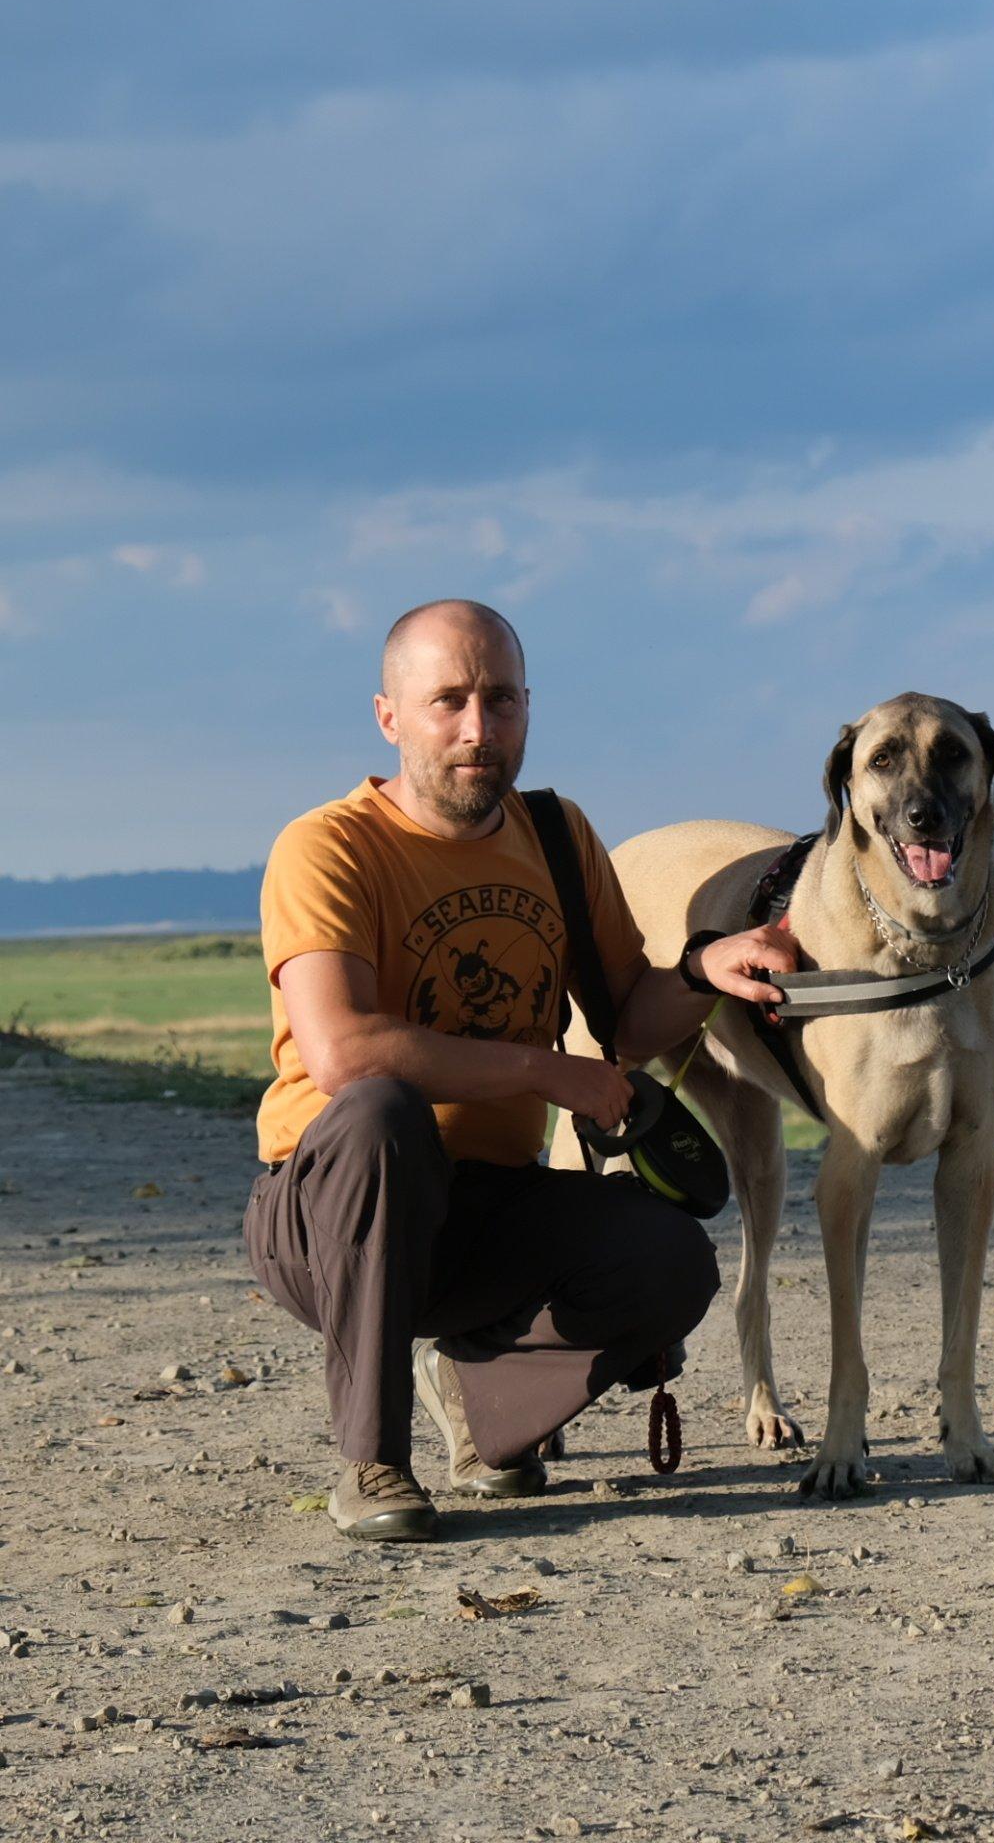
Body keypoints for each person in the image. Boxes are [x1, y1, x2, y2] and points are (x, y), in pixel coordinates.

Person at [243, 599, 798, 1540]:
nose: (477, 729)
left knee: (668, 1261)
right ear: (389, 717)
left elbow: (625, 1016)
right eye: (447, 701)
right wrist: (545, 1072)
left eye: (500, 700)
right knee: (383, 1112)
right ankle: (373, 1463)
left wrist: (705, 967)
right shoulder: (328, 847)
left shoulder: (556, 835)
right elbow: (341, 1051)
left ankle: (481, 1401)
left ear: (529, 708)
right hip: (330, 1215)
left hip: (485, 1208)